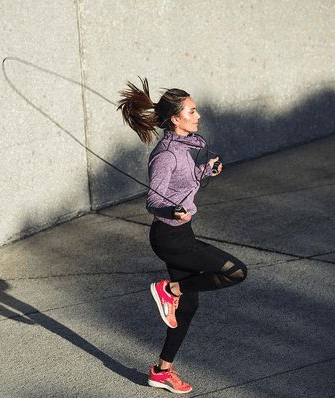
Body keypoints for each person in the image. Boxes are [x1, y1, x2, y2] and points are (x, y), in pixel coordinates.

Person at [117, 78, 247, 394]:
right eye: (192, 110)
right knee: (235, 271)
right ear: (176, 118)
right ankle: (170, 289)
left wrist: (206, 171)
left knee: (187, 309)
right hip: (170, 237)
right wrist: (171, 211)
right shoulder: (165, 155)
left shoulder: (189, 146)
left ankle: (162, 371)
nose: (198, 115)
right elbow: (153, 200)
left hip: (181, 232)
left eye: (195, 109)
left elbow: (186, 181)